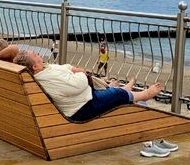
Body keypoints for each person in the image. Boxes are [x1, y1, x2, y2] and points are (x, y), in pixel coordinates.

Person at [14, 49, 161, 121]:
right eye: (35, 55)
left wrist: (72, 69)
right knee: (117, 94)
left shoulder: (44, 70)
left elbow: (63, 67)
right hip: (81, 108)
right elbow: (76, 86)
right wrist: (81, 73)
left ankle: (126, 90)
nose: (38, 54)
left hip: (82, 99)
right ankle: (144, 95)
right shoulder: (47, 77)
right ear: (35, 67)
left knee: (113, 93)